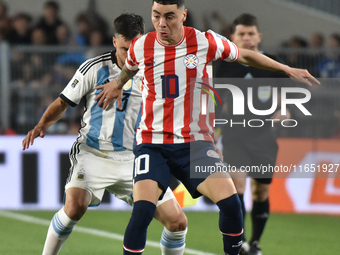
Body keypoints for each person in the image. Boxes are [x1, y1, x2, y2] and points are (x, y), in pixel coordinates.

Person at [95, 1, 319, 255]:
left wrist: (285, 68)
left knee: (232, 205)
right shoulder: (142, 45)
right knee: (143, 211)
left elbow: (244, 54)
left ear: (183, 15)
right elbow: (130, 67)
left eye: (169, 16)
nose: (162, 23)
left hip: (195, 144)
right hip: (152, 143)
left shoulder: (205, 42)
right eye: (156, 16)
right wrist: (118, 83)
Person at [22, 13, 188, 255]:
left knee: (177, 222)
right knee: (75, 207)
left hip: (134, 159)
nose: (129, 54)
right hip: (93, 152)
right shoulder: (94, 67)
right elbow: (63, 101)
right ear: (114, 42)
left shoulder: (156, 70)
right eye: (123, 48)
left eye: (134, 48)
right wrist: (42, 124)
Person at [213, 13, 289, 255]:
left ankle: (254, 242)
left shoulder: (274, 64)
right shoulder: (224, 65)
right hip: (234, 136)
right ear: (233, 37)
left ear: (259, 36)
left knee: (260, 191)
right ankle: (241, 243)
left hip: (265, 138)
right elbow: (213, 100)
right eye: (241, 34)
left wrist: (284, 111)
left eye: (250, 33)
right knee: (238, 187)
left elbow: (284, 101)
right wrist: (212, 130)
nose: (246, 38)